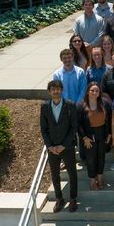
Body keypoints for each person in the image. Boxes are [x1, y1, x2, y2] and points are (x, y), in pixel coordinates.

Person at [40, 80, 78, 213]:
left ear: (62, 90)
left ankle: (73, 199)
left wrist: (64, 145)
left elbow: (74, 128)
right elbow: (44, 129)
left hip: (66, 147)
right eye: (53, 89)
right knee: (55, 175)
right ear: (49, 92)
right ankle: (59, 199)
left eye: (58, 89)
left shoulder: (70, 105)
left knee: (72, 173)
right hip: (52, 148)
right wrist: (50, 146)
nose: (55, 91)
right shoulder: (44, 106)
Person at [77, 82, 111, 190]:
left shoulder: (104, 103)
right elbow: (78, 124)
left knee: (101, 157)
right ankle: (92, 180)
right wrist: (84, 137)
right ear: (88, 92)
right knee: (91, 160)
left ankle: (100, 178)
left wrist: (109, 134)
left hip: (102, 134)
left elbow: (109, 120)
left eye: (97, 90)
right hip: (88, 136)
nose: (94, 92)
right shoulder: (81, 105)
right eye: (92, 90)